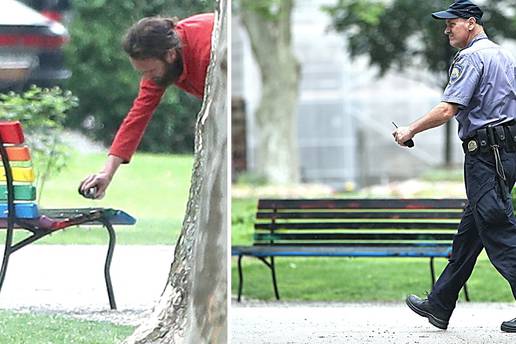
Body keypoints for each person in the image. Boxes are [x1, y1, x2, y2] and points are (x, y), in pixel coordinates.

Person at [392, 0, 516, 332]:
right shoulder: (505, 56)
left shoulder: (472, 57)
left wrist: (410, 129)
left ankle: (440, 301)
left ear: (472, 23)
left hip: (485, 157)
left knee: (499, 229)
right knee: (471, 232)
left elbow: (448, 109)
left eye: (452, 23)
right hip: (504, 155)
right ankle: (440, 302)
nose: (447, 29)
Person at [79, 13, 214, 198]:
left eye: (150, 71)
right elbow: (136, 117)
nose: (148, 78)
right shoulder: (161, 65)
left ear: (170, 54)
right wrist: (107, 173)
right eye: (143, 73)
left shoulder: (209, 52)